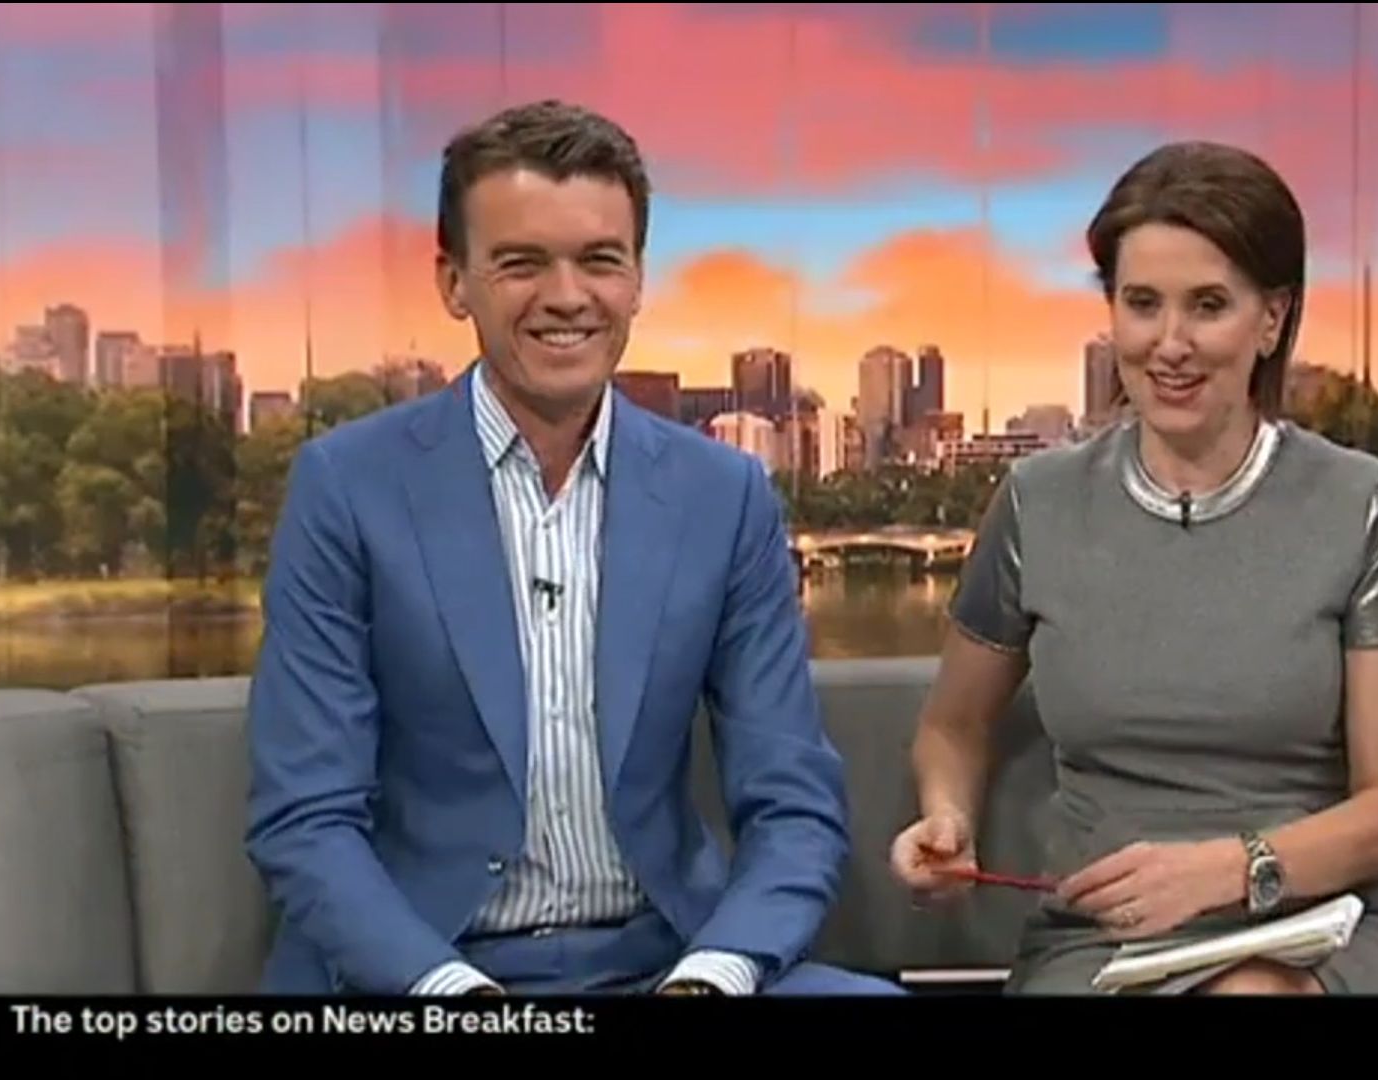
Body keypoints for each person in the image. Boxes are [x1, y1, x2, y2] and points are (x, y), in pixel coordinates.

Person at [245, 100, 900, 997]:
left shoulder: (724, 496)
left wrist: (713, 976)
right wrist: (450, 992)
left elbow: (793, 802)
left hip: (666, 962)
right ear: (454, 283)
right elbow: (306, 818)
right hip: (419, 971)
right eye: (522, 263)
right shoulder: (347, 488)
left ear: (637, 280)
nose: (566, 297)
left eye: (600, 260)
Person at [888, 141, 1378, 995]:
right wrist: (947, 817)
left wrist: (1228, 871)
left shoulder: (1363, 505)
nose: (1170, 344)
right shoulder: (1039, 502)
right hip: (1101, 942)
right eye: (1142, 304)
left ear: (1271, 320)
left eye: (1208, 306)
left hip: (1316, 931)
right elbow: (953, 726)